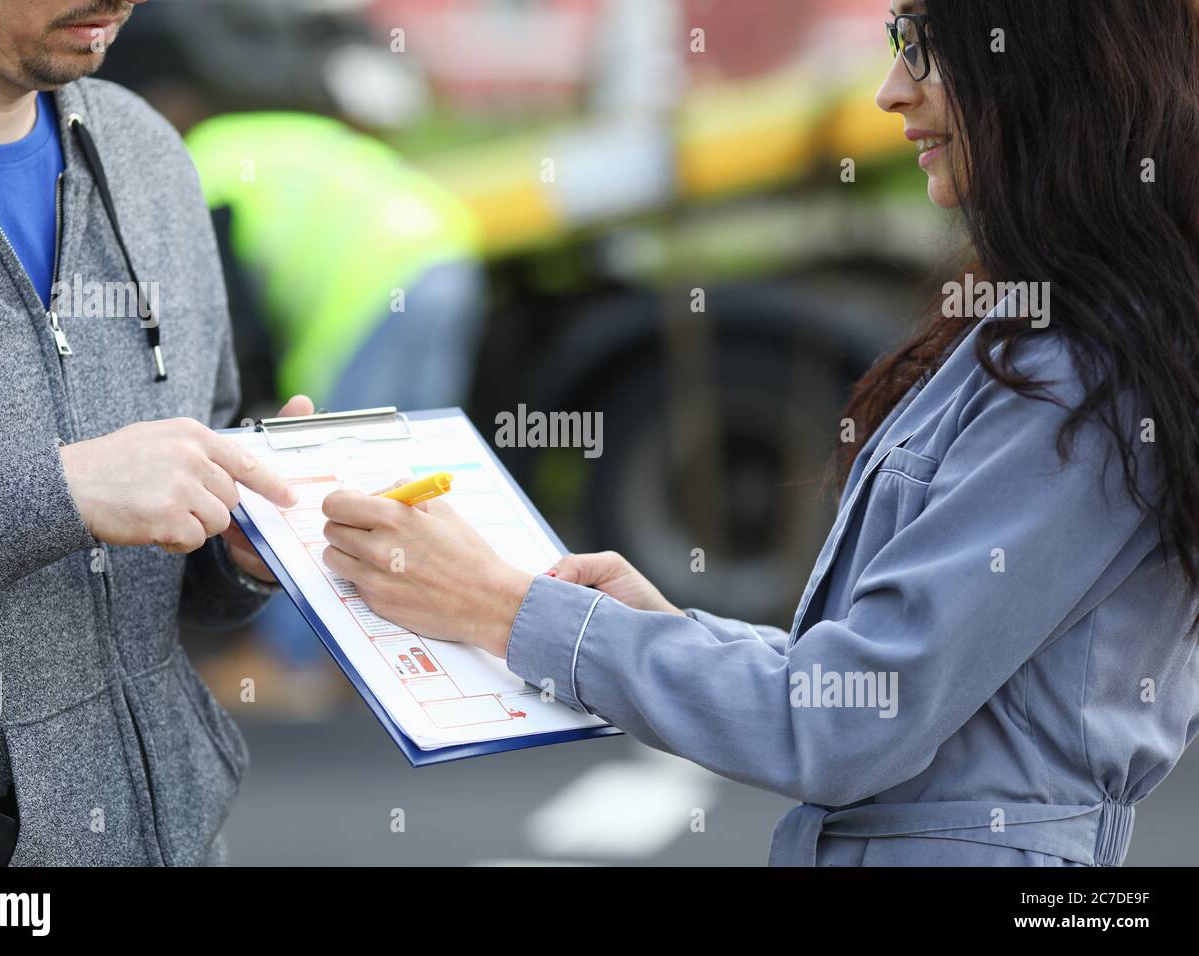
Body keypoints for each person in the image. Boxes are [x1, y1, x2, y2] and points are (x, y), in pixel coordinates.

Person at [319, 0, 1199, 866]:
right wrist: (655, 628)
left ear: (1045, 68)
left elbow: (847, 723)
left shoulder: (1080, 373)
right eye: (900, 41)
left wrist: (506, 609)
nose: (892, 90)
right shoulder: (1049, 342)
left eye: (927, 46)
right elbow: (878, 683)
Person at [0, 0, 311, 865]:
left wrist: (237, 545)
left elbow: (177, 513)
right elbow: (86, 493)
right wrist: (61, 496)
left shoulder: (148, 153)